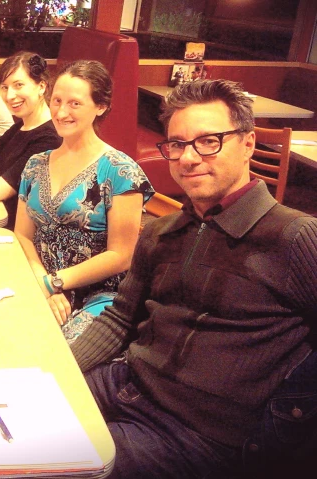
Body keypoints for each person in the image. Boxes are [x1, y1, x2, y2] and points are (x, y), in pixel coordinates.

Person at [70, 79, 317, 478]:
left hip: (193, 433)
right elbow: (119, 319)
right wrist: (59, 372)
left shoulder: (294, 238)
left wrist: (291, 423)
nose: (188, 158)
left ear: (249, 143)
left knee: (52, 462)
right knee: (10, 418)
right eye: (178, 144)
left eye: (209, 141)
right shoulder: (160, 232)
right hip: (125, 384)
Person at [15, 60, 153, 342]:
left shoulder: (120, 171)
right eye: (56, 100)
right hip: (41, 283)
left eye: (75, 104)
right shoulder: (35, 164)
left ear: (100, 106)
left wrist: (57, 282)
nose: (61, 112)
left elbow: (122, 255)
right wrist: (42, 280)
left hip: (101, 296)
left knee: (52, 354)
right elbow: (22, 235)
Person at [0, 51, 62, 231]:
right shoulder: (21, 126)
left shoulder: (49, 138)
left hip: (17, 232)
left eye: (19, 85)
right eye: (5, 87)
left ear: (41, 86)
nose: (10, 96)